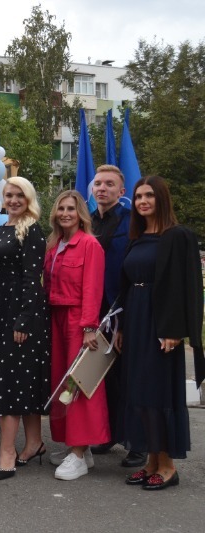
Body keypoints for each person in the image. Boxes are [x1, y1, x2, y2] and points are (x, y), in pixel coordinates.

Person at [117, 176, 203, 491]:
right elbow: (127, 286)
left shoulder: (178, 236)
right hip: (137, 320)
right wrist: (122, 327)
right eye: (138, 196)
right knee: (139, 394)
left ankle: (167, 466)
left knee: (158, 393)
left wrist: (175, 330)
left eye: (149, 195)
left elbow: (188, 288)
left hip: (161, 325)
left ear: (161, 198)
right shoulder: (137, 238)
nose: (142, 201)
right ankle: (151, 461)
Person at [0, 176, 51, 480]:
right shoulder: (1, 229)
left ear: (28, 200)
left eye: (19, 196)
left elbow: (32, 279)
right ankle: (35, 443)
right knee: (22, 378)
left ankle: (7, 450)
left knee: (11, 381)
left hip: (22, 316)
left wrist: (23, 319)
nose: (13, 200)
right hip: (2, 313)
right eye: (9, 195)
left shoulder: (33, 231)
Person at [43, 191, 107, 481]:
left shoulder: (90, 244)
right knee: (62, 386)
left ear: (81, 213)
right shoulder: (54, 245)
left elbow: (93, 287)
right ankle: (79, 448)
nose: (65, 213)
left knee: (78, 384)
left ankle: (79, 455)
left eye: (71, 209)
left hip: (78, 321)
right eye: (61, 209)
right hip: (56, 319)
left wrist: (89, 327)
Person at [85, 165, 146, 468]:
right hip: (93, 310)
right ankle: (108, 434)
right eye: (98, 183)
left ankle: (137, 442)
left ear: (122, 192)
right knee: (102, 376)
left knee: (130, 376)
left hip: (124, 307)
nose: (103, 188)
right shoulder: (85, 221)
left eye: (110, 184)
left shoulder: (132, 221)